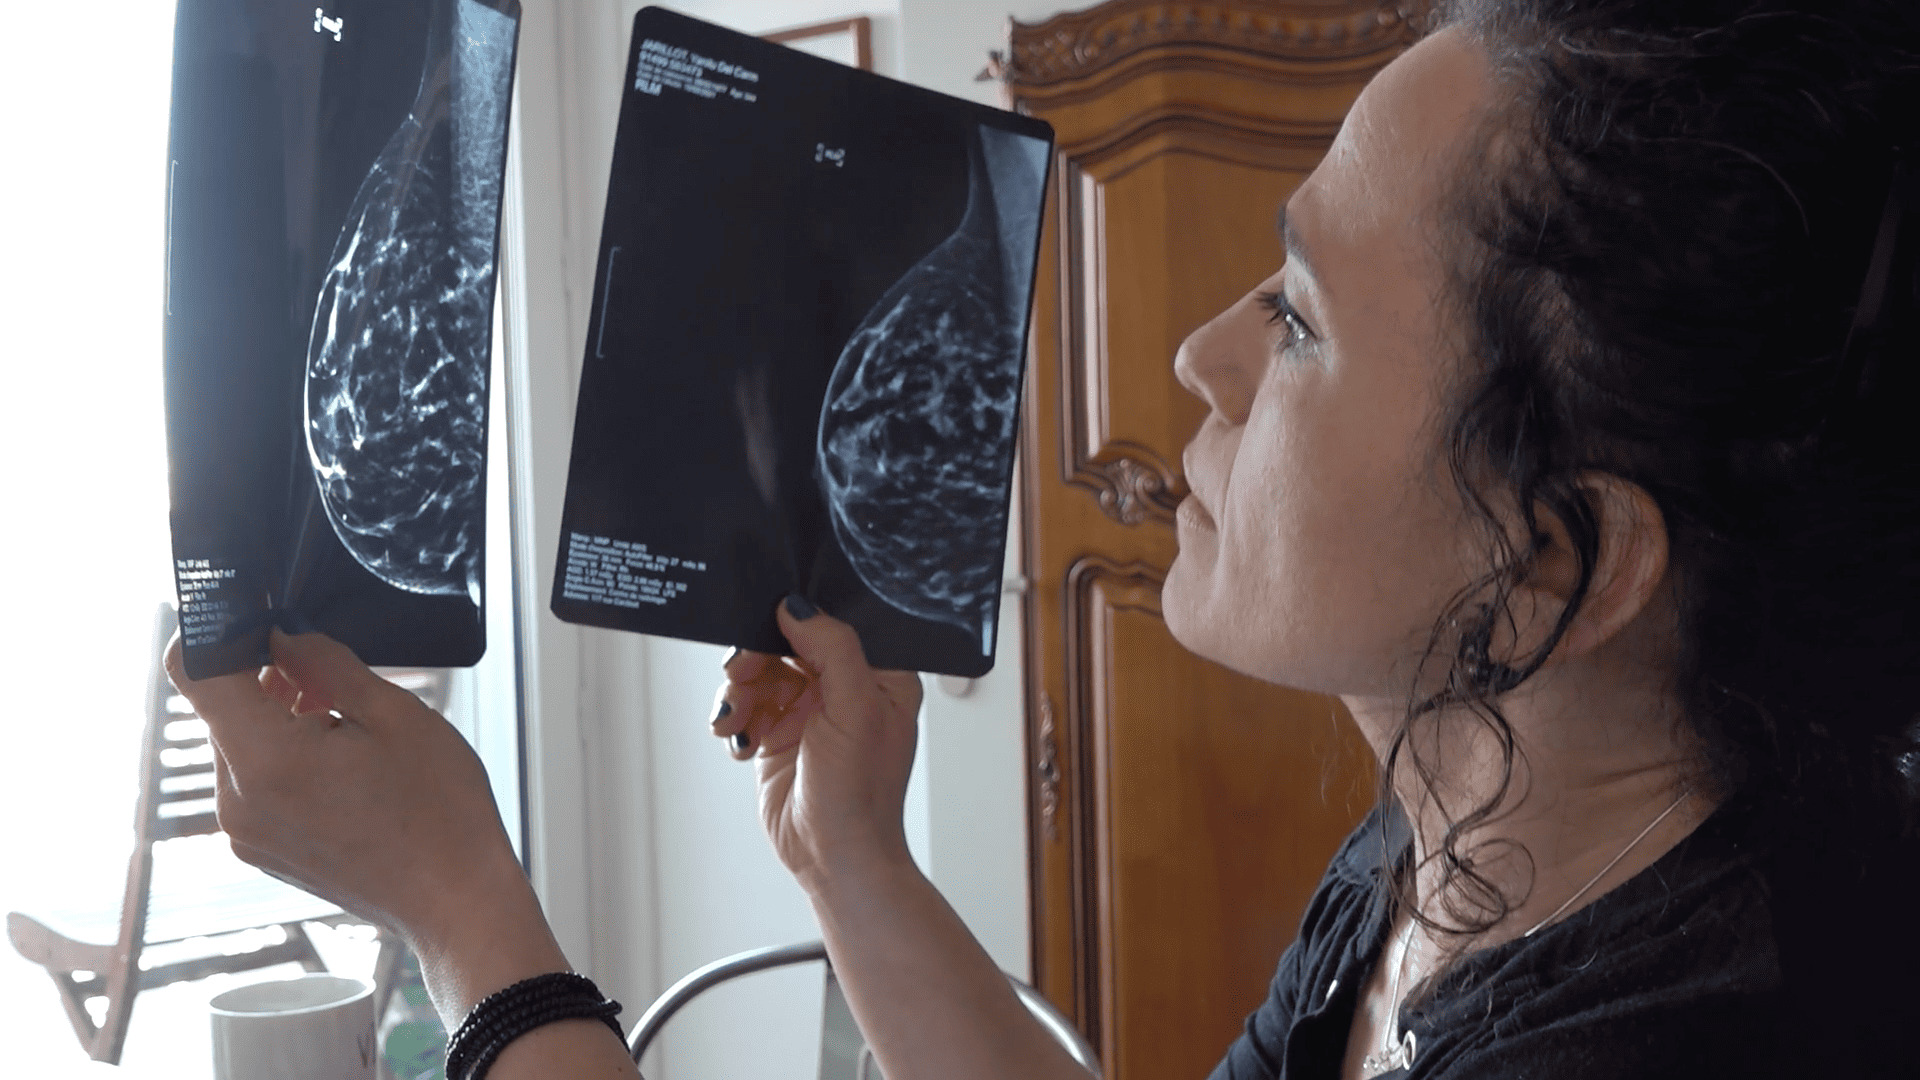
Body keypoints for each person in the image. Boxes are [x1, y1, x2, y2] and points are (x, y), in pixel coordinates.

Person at [166, 1, 1920, 1077]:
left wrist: (468, 919)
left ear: (1554, 567)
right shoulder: (1460, 847)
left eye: (1301, 321)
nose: (1201, 355)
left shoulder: (1712, 1034)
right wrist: (852, 853)